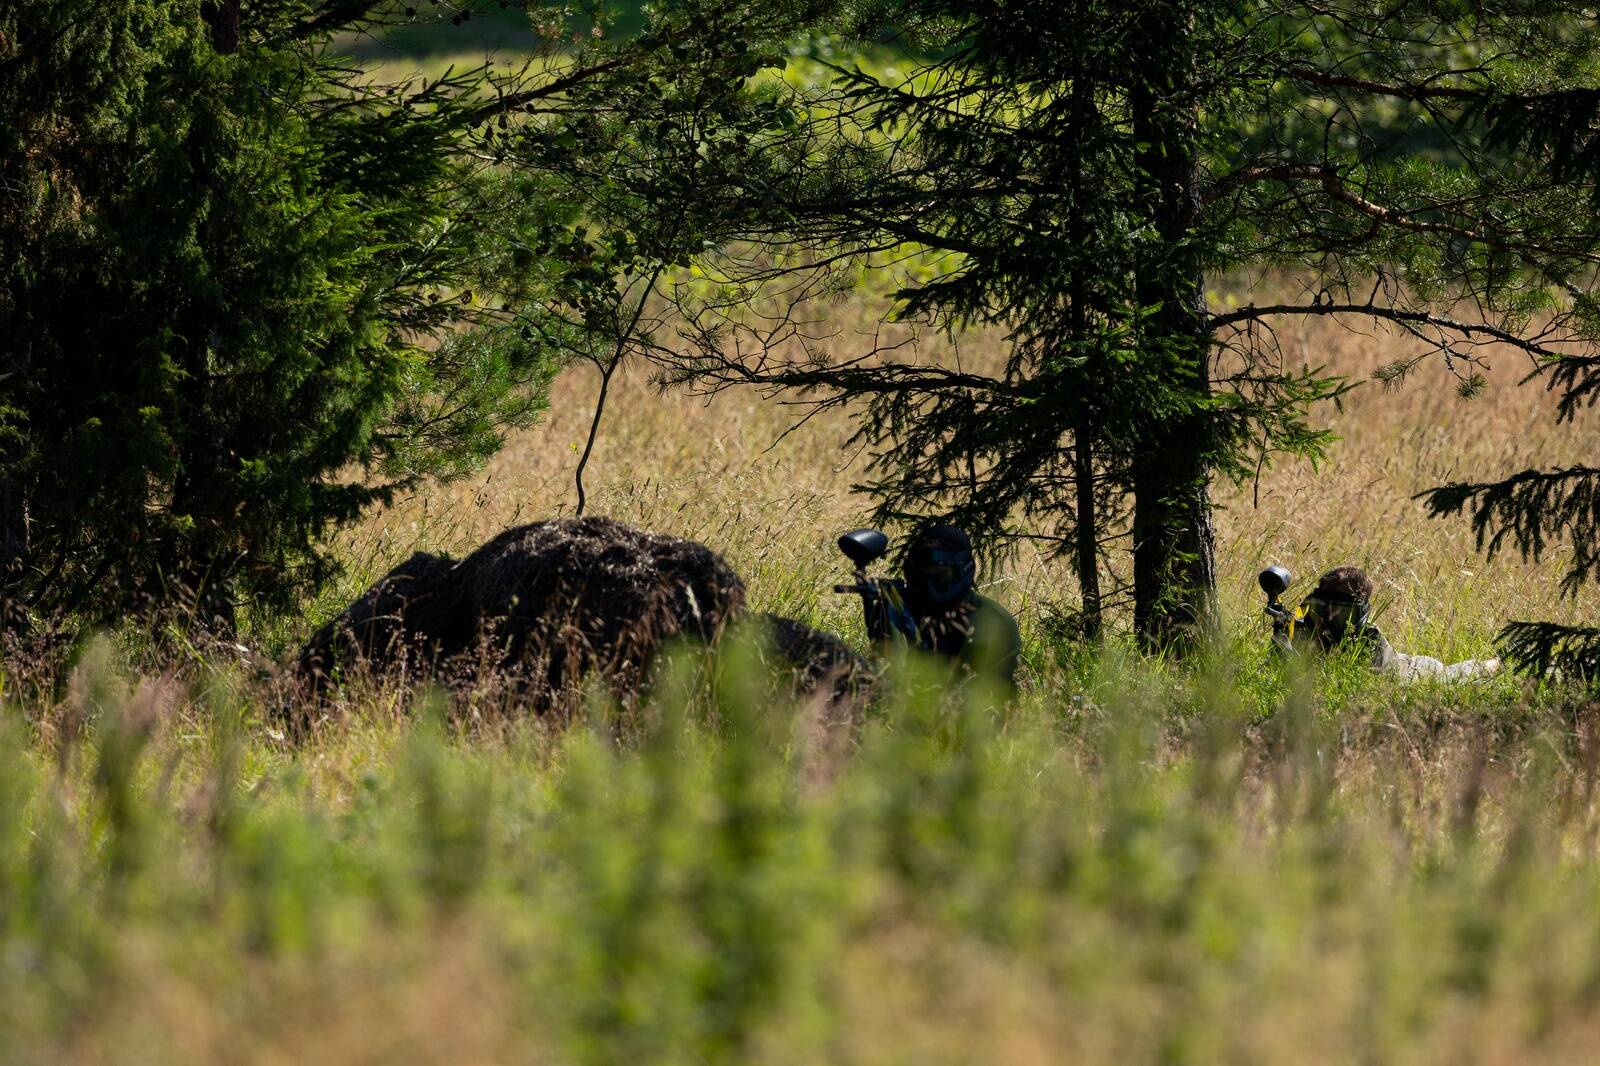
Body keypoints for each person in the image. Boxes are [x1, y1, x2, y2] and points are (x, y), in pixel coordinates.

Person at [860, 523, 1021, 692]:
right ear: (910, 573)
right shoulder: (899, 607)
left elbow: (990, 696)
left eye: (940, 576)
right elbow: (884, 670)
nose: (929, 587)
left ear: (963, 571)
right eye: (921, 576)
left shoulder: (991, 620)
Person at [1275, 565, 1499, 681]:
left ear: (1360, 615)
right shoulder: (1303, 628)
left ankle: (1494, 664)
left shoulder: (1369, 640)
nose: (1329, 619)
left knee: (1455, 676)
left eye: (1341, 613)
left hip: (1413, 671)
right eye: (1321, 609)